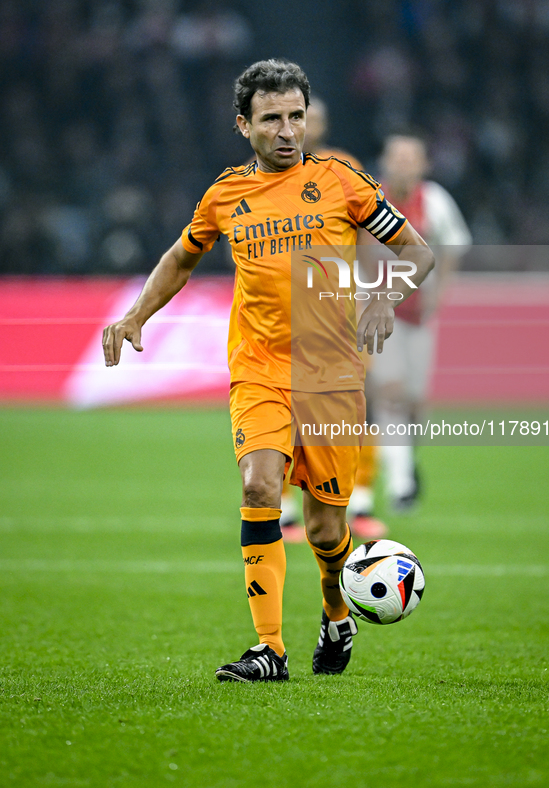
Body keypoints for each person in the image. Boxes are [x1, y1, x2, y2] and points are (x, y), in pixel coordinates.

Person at [102, 60, 434, 683]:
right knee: (258, 488)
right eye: (272, 119)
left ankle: (337, 614)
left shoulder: (343, 182)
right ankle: (270, 650)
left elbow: (417, 249)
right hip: (257, 370)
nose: (287, 131)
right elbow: (180, 257)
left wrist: (385, 295)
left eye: (295, 117)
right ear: (243, 125)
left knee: (325, 526)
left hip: (331, 377)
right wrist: (136, 315)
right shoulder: (226, 195)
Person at [279, 95, 388, 543]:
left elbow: (372, 232)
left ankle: (359, 502)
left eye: (310, 117)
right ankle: (285, 510)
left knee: (359, 402)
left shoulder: (344, 168)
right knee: (287, 409)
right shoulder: (260, 172)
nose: (303, 126)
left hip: (339, 306)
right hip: (283, 314)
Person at [355, 131, 471, 511]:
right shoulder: (368, 200)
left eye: (411, 158)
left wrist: (440, 292)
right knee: (390, 391)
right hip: (376, 312)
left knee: (417, 404)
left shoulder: (434, 200)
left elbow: (454, 243)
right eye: (397, 158)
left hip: (420, 315)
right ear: (384, 163)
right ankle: (401, 486)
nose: (403, 165)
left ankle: (406, 462)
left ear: (424, 165)